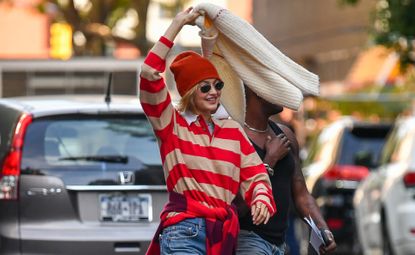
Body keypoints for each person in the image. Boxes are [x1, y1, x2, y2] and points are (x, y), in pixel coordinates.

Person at [139, 7, 276, 255]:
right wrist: (177, 24)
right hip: (184, 231)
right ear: (190, 91)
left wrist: (261, 198)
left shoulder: (232, 130)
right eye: (205, 87)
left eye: (218, 85)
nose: (214, 91)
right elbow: (149, 73)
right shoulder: (171, 124)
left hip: (222, 233)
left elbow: (255, 175)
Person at [236, 86, 337, 255]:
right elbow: (237, 206)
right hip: (248, 240)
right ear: (258, 92)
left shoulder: (286, 135)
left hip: (280, 243)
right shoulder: (234, 136)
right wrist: (270, 160)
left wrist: (322, 228)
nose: (281, 93)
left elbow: (302, 195)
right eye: (274, 86)